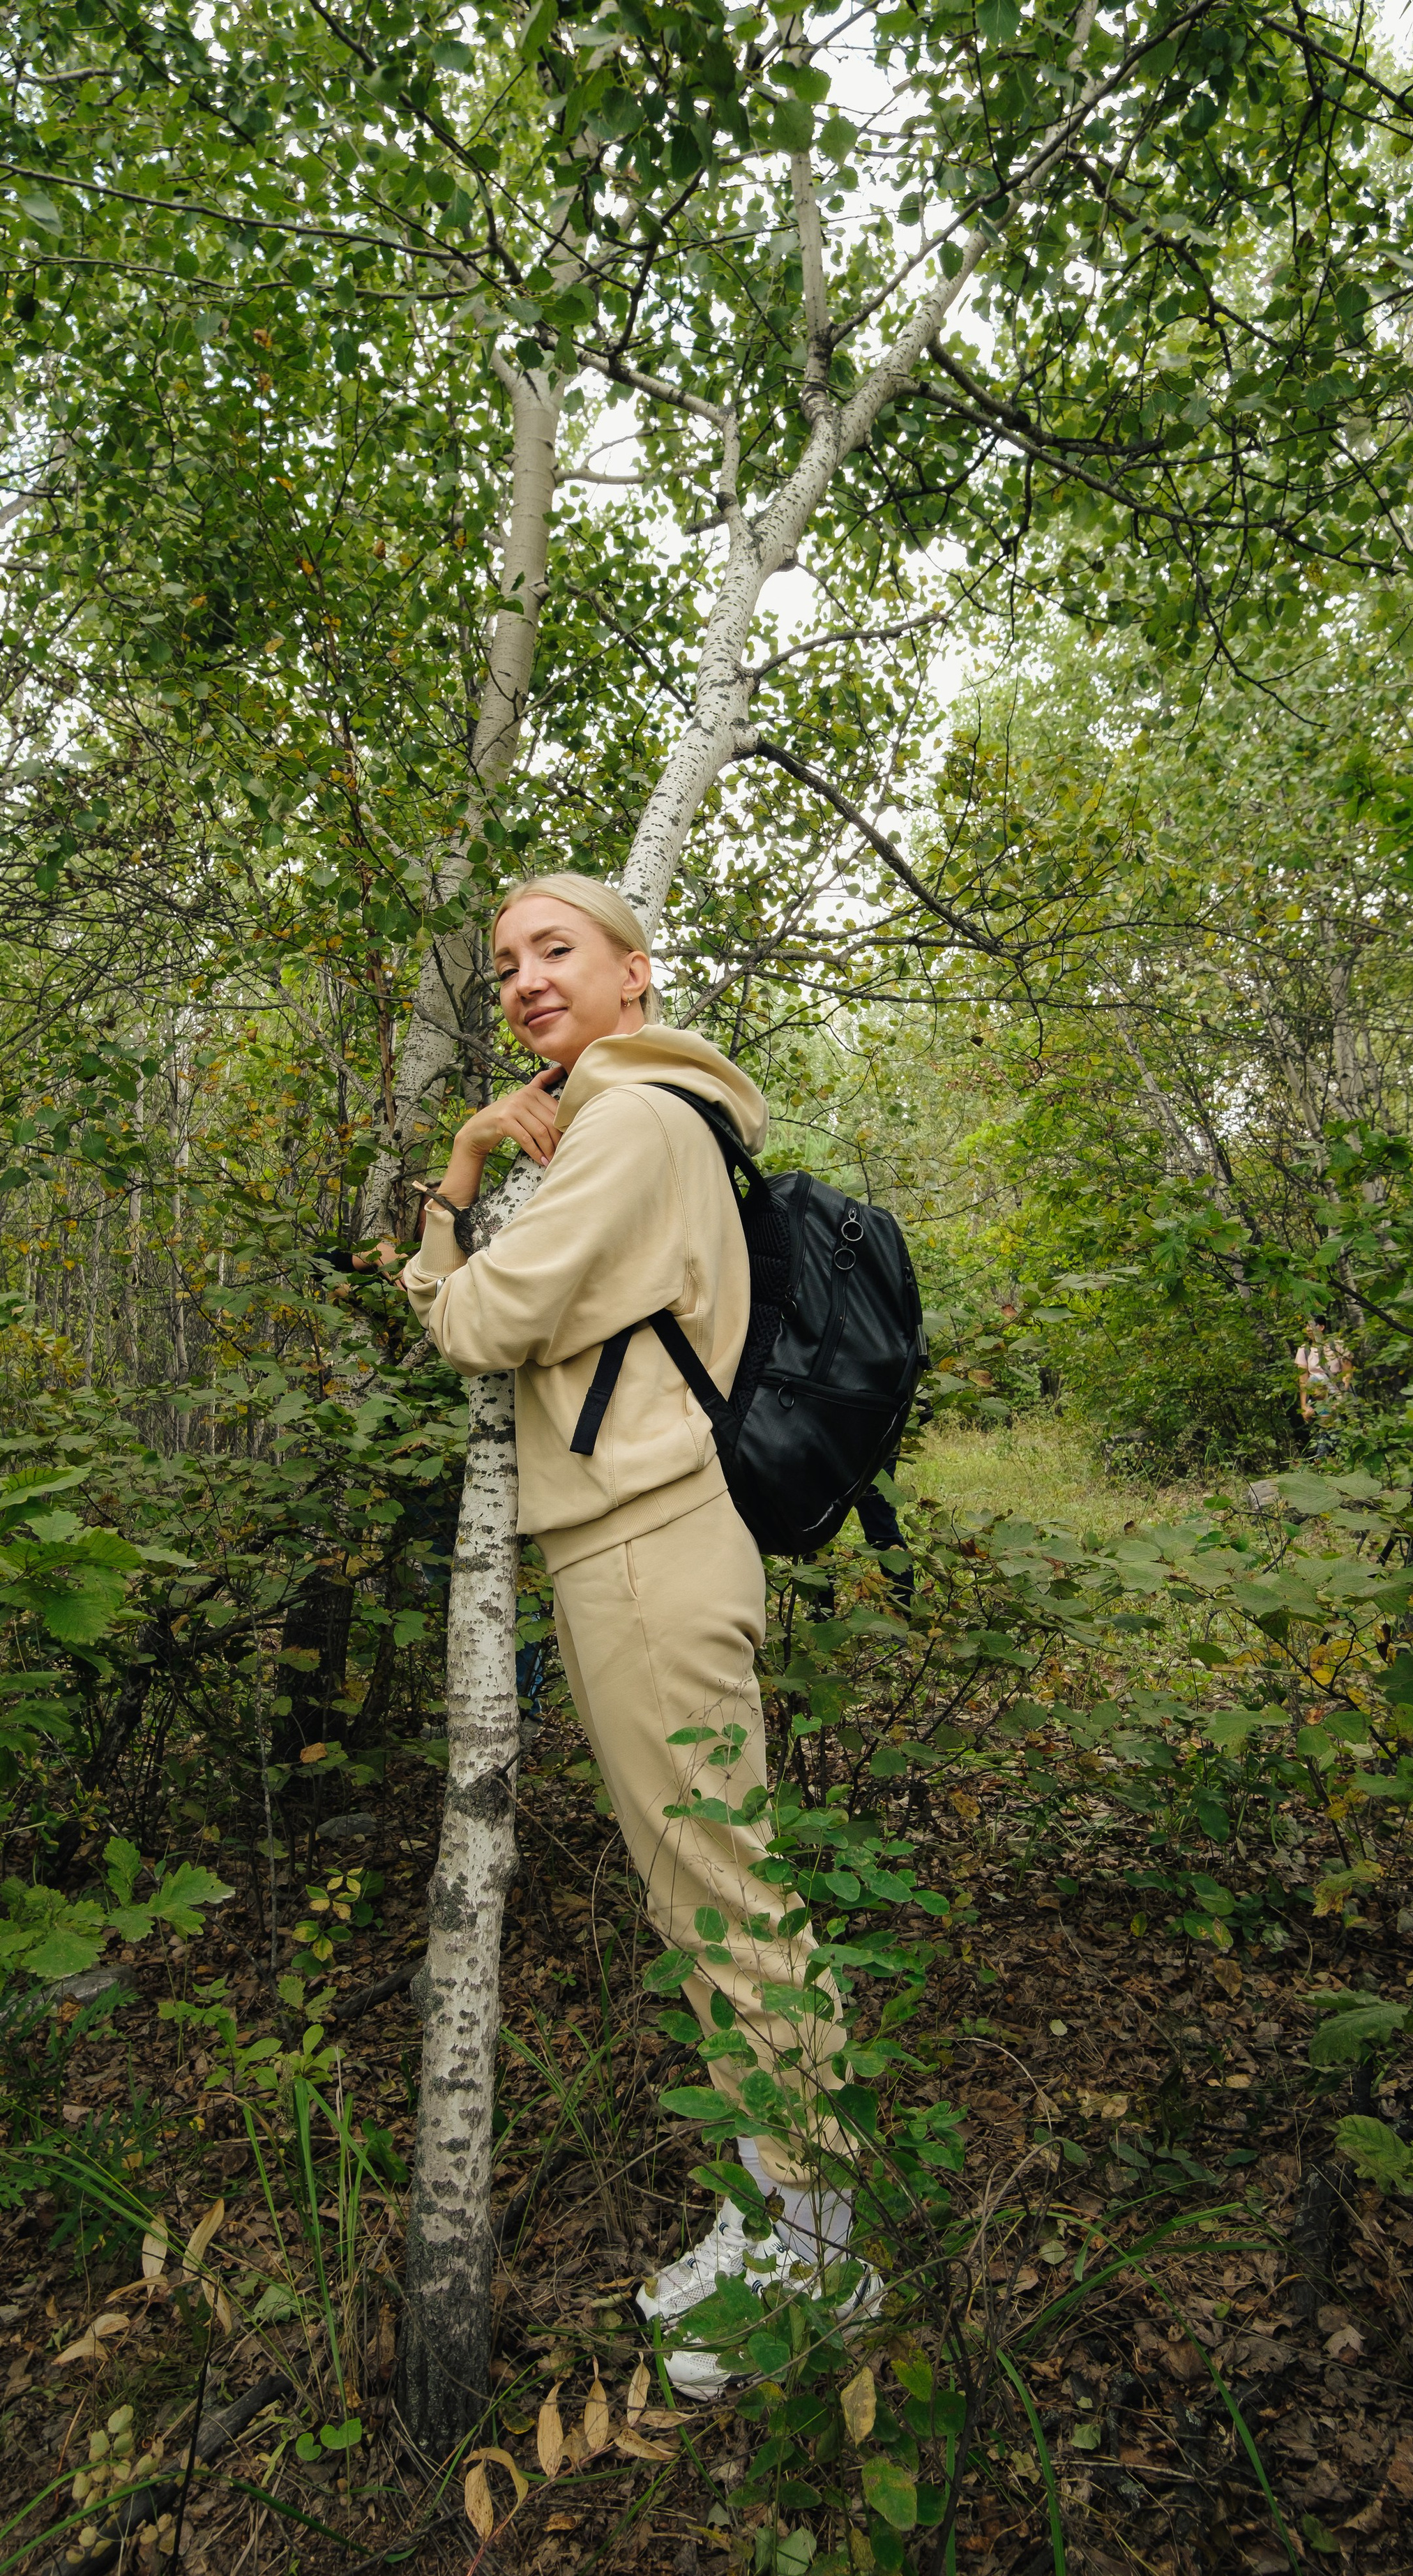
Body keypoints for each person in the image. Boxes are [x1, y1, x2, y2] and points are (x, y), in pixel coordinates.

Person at [400, 872, 875, 2396]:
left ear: (634, 974)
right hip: (642, 1538)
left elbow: (477, 1322)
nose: (525, 981)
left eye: (556, 950)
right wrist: (484, 1154)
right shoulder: (651, 1117)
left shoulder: (629, 1123)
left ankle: (816, 2257)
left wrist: (457, 1180)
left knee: (721, 1898)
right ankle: (786, 2214)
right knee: (706, 1892)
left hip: (646, 1545)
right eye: (505, 965)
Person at [1293, 1317, 1352, 1458]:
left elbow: (1347, 1374)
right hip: (1316, 1395)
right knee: (1315, 1379)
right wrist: (1304, 1407)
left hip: (1337, 1393)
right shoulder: (1304, 1350)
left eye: (1311, 1325)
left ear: (1322, 1327)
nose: (1308, 1329)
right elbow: (1303, 1381)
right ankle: (1323, 1456)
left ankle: (1331, 1456)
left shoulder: (1336, 1345)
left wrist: (1342, 1399)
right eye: (1306, 1326)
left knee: (1340, 1432)